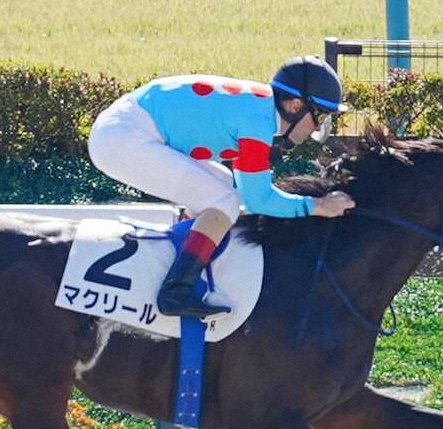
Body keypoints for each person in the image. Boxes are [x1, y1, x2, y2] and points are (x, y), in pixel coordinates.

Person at [88, 55, 356, 318]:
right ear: (295, 106)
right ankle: (176, 291)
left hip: (123, 130)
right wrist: (319, 206)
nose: (317, 128)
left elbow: (247, 190)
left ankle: (184, 260)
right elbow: (258, 201)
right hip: (123, 137)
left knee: (223, 183)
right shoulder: (258, 120)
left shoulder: (258, 109)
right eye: (319, 116)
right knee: (224, 200)